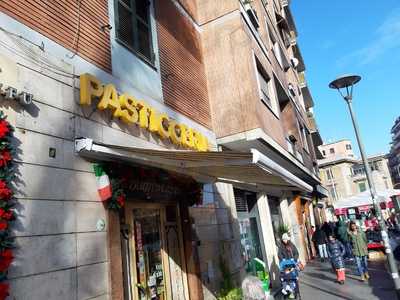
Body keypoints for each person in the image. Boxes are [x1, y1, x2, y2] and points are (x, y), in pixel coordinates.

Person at [278, 233, 300, 299]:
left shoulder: (291, 245)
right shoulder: (281, 246)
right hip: (285, 265)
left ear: (287, 239)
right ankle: (287, 291)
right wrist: (282, 259)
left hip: (292, 264)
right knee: (285, 278)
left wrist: (294, 258)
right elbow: (279, 254)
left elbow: (296, 253)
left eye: (285, 239)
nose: (284, 240)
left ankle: (295, 292)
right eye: (283, 239)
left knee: (293, 277)